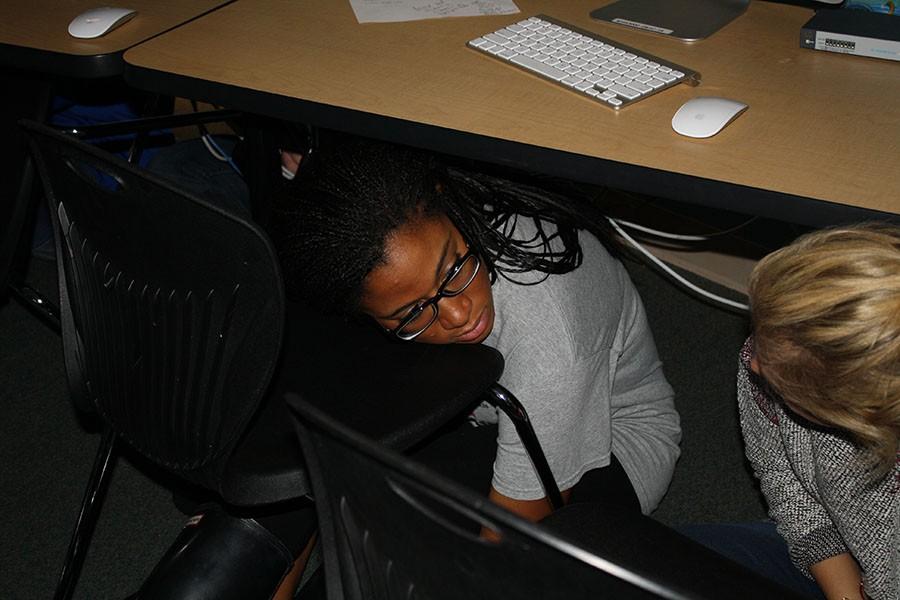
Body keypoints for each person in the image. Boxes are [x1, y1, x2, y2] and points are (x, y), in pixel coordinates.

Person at [271, 134, 682, 525]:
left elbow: (501, 542)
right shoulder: (429, 241)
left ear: (445, 202)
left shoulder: (549, 340)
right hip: (476, 411)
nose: (458, 315)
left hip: (612, 441)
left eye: (452, 269)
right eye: (413, 312)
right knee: (329, 484)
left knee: (451, 561)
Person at [685, 223, 900, 600]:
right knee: (622, 561)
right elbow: (781, 475)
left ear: (856, 412)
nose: (753, 364)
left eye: (784, 379)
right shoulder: (770, 351)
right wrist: (843, 592)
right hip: (843, 562)